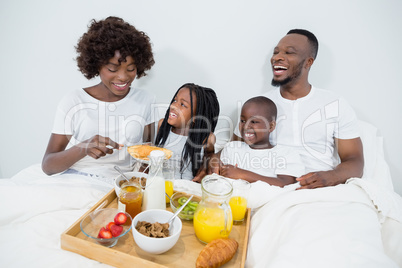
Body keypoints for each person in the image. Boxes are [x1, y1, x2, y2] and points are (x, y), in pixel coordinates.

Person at [229, 29, 364, 189]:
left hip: (322, 189)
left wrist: (330, 177)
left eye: (289, 52)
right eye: (276, 52)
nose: (277, 57)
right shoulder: (259, 105)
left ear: (308, 62)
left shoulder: (335, 104)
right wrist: (210, 161)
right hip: (271, 189)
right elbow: (235, 149)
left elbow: (355, 160)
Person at [41, 16, 156, 180]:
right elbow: (48, 165)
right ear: (96, 65)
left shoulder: (146, 100)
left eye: (131, 69)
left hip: (119, 183)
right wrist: (83, 148)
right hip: (75, 179)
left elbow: (148, 154)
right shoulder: (74, 100)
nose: (123, 77)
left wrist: (137, 184)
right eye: (112, 69)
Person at [217, 96, 305, 186]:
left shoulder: (286, 153)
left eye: (254, 122)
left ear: (271, 126)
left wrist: (243, 174)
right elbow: (214, 172)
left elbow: (285, 183)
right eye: (243, 121)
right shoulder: (232, 148)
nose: (246, 126)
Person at [155, 83, 220, 180]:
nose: (173, 106)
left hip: (186, 190)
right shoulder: (162, 126)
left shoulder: (207, 138)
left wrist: (207, 164)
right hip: (159, 184)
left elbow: (209, 155)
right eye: (175, 100)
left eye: (182, 104)